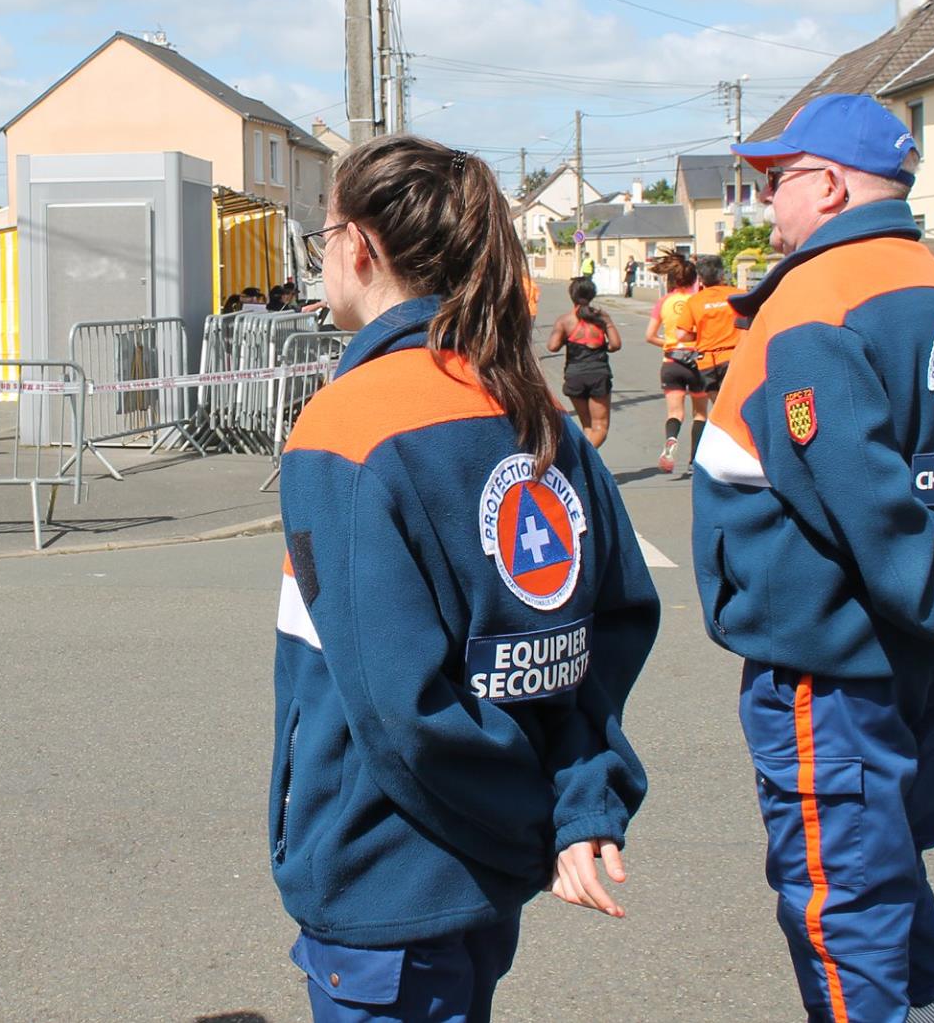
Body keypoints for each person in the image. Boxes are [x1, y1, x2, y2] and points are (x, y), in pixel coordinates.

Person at [691, 93, 934, 1023]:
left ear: (829, 184)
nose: (765, 202)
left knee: (839, 899)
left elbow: (857, 496)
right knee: (889, 867)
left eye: (776, 181)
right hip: (921, 643)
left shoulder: (816, 301)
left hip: (832, 660)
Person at [274, 135, 659, 1023]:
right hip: (482, 873)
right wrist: (573, 801)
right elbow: (607, 628)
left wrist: (535, 816)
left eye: (324, 235)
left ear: (359, 247)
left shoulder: (348, 426)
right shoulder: (528, 399)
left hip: (389, 867)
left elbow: (399, 707)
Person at [544, 276, 621, 449]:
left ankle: (585, 472)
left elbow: (552, 346)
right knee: (600, 427)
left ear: (572, 295)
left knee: (587, 426)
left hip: (574, 375)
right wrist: (603, 346)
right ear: (593, 294)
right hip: (598, 375)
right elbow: (616, 344)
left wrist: (567, 339)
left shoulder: (565, 320)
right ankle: (581, 462)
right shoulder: (602, 317)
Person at [679, 255, 740, 466]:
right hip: (733, 358)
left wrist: (702, 337)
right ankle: (738, 451)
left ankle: (721, 452)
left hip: (707, 362)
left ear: (701, 280)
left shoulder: (694, 301)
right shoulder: (738, 295)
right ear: (722, 274)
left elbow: (681, 335)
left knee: (719, 408)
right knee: (738, 408)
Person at [643, 253, 700, 472]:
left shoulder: (663, 302)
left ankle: (671, 440)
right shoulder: (697, 301)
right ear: (694, 279)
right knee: (700, 413)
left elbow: (649, 335)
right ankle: (694, 459)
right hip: (696, 360)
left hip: (671, 361)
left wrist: (669, 343)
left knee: (675, 413)